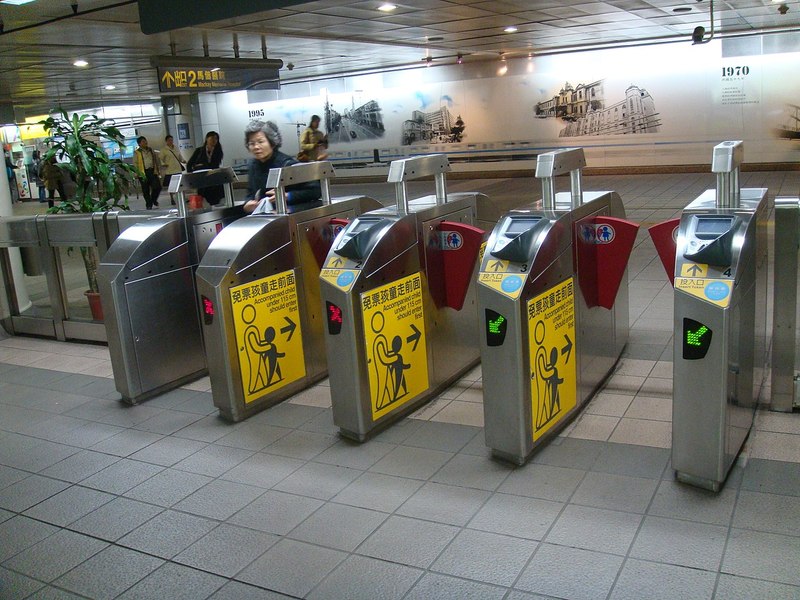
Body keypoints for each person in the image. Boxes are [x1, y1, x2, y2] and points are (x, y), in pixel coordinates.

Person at [242, 120, 322, 214]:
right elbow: (251, 192)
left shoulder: (286, 164)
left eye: (261, 141)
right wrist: (248, 204)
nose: (256, 147)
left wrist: (288, 196)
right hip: (264, 216)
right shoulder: (253, 165)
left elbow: (315, 190)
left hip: (289, 215)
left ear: (272, 143)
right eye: (252, 143)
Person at [186, 131, 224, 206]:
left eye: (216, 139)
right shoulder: (199, 151)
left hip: (214, 179)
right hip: (202, 179)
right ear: (207, 139)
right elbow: (189, 164)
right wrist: (192, 177)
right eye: (212, 138)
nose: (214, 140)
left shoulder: (218, 151)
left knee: (215, 199)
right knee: (203, 198)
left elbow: (215, 164)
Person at [132, 136, 162, 209]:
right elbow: (135, 163)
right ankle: (149, 204)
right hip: (142, 172)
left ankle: (153, 199)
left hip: (152, 171)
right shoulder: (137, 152)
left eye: (145, 140)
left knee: (157, 187)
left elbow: (155, 160)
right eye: (143, 141)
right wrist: (136, 173)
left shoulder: (151, 150)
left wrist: (158, 170)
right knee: (145, 189)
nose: (145, 142)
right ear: (139, 144)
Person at [160, 134, 186, 205]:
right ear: (166, 141)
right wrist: (163, 164)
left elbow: (179, 156)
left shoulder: (176, 148)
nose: (171, 141)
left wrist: (183, 160)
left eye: (171, 140)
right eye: (169, 140)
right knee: (171, 185)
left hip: (177, 169)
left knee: (180, 184)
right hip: (170, 170)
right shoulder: (164, 150)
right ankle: (172, 198)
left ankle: (180, 197)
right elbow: (161, 158)